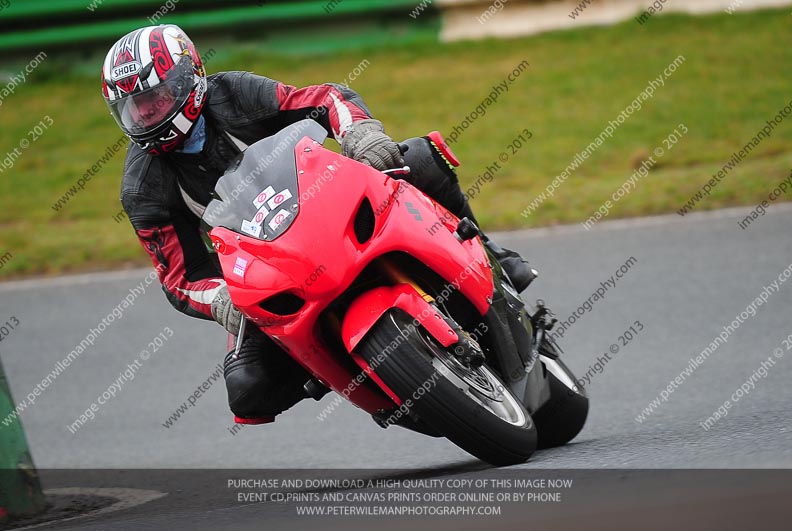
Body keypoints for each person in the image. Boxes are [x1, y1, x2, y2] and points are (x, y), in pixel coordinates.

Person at [102, 24, 536, 425]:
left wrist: (360, 134)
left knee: (419, 157)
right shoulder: (142, 189)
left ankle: (487, 252)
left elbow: (325, 99)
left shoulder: (233, 92)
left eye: (155, 98)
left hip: (325, 205)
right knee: (248, 389)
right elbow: (180, 278)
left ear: (188, 77)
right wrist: (222, 300)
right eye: (134, 109)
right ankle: (343, 370)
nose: (147, 115)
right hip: (263, 272)